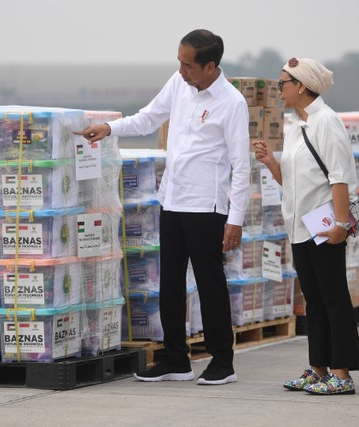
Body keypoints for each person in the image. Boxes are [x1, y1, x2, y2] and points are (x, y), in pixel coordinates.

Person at [74, 29, 250, 386]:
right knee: (169, 282)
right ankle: (175, 359)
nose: (182, 70)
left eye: (188, 65)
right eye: (179, 62)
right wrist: (109, 128)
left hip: (207, 206)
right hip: (172, 200)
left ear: (210, 66)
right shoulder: (179, 84)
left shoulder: (232, 103)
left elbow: (241, 165)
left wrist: (236, 219)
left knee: (209, 283)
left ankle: (222, 361)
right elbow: (148, 118)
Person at [253, 57, 359, 395]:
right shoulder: (294, 126)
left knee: (333, 298)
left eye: (283, 83)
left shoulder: (326, 121)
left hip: (324, 224)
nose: (279, 89)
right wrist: (271, 161)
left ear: (301, 86)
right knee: (313, 301)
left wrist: (342, 224)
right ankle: (318, 369)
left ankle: (342, 374)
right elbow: (292, 180)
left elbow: (339, 177)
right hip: (300, 226)